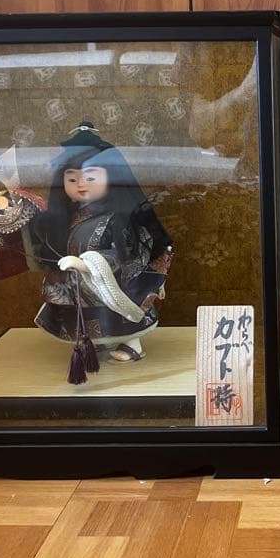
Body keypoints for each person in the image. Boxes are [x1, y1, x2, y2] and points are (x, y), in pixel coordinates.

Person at [31, 122, 173, 380]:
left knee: (116, 313)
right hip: (80, 283)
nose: (80, 184)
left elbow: (126, 254)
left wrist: (88, 264)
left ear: (112, 179)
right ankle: (97, 341)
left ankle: (132, 343)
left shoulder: (119, 218)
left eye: (90, 177)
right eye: (72, 179)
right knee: (87, 315)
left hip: (113, 282)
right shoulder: (70, 216)